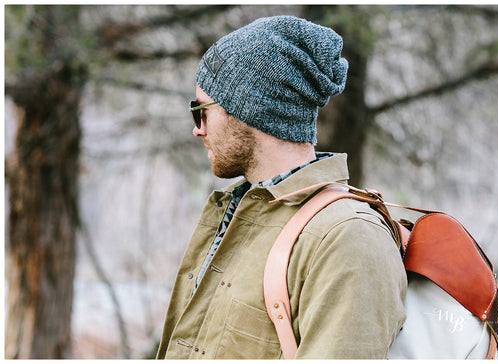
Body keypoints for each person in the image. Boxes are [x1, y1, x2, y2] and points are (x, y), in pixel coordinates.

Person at [156, 15, 406, 359]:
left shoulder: (347, 237)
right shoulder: (234, 213)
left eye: (201, 111)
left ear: (247, 110)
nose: (197, 129)